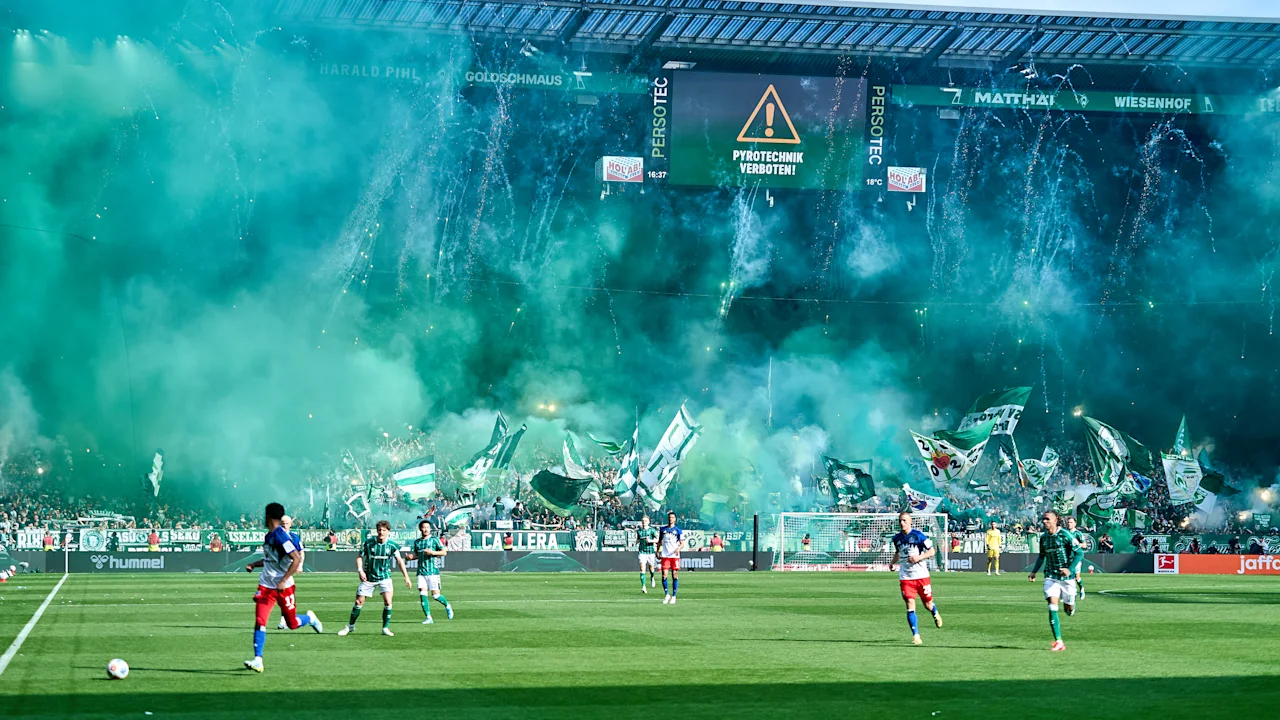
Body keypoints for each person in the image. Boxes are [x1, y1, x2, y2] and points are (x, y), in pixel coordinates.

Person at [243, 503, 320, 673]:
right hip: (266, 586)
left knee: (292, 623)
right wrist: (254, 564)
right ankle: (258, 659)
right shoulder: (268, 536)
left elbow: (296, 559)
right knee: (260, 621)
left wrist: (284, 580)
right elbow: (270, 560)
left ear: (269, 517)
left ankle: (310, 618)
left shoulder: (280, 536)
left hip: (283, 587)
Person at [338, 520, 411, 637]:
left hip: (385, 577)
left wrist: (406, 577)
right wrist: (360, 570)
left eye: (384, 530)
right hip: (369, 577)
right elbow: (359, 557)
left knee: (388, 601)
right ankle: (350, 626)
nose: (381, 532)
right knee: (358, 602)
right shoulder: (369, 543)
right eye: (379, 530)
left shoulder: (392, 545)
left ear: (388, 532)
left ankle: (385, 628)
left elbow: (399, 561)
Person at [1028, 510, 1082, 652]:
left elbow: (1079, 552)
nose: (1044, 521)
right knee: (1052, 605)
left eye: (1047, 519)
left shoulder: (1065, 535)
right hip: (1051, 576)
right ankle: (1059, 641)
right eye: (1043, 519)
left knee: (1069, 610)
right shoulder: (1044, 538)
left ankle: (1071, 605)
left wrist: (1069, 569)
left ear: (1056, 520)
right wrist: (1034, 572)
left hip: (1067, 579)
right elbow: (1041, 556)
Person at [890, 511, 942, 645]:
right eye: (900, 520)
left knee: (928, 604)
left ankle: (935, 612)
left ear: (910, 522)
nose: (902, 523)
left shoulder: (918, 535)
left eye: (904, 520)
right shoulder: (897, 538)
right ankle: (916, 635)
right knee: (910, 604)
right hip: (906, 577)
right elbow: (898, 553)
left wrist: (919, 557)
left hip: (921, 576)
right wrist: (892, 562)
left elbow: (932, 551)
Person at [403, 520, 453, 624]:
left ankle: (447, 605)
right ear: (420, 529)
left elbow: (444, 552)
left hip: (432, 572)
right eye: (423, 527)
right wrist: (410, 557)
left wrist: (432, 552)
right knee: (422, 593)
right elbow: (417, 555)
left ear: (430, 529)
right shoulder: (417, 542)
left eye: (427, 527)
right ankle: (429, 617)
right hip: (421, 572)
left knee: (435, 596)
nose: (425, 529)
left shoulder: (434, 540)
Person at [658, 511, 685, 605]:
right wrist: (657, 551)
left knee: (674, 574)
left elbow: (682, 544)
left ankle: (674, 596)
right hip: (665, 555)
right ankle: (666, 594)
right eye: (669, 517)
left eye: (672, 517)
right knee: (664, 575)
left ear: (675, 519)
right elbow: (659, 541)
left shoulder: (678, 530)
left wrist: (678, 548)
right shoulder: (662, 530)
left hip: (674, 556)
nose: (671, 519)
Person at [1064, 516, 1087, 600]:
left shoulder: (1078, 533)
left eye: (1071, 522)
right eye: (1068, 522)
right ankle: (1067, 593)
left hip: (1075, 558)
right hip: (1066, 558)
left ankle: (1081, 589)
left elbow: (1084, 545)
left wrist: (1076, 545)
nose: (1069, 524)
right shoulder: (1065, 532)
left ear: (1075, 524)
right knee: (1067, 576)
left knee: (1077, 578)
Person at [637, 515, 658, 594]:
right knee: (642, 569)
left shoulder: (652, 530)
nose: (644, 522)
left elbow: (657, 539)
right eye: (643, 521)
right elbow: (638, 539)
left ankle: (652, 577)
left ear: (648, 522)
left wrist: (650, 540)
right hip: (642, 551)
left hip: (650, 552)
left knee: (651, 568)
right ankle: (643, 586)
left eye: (645, 521)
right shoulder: (639, 530)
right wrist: (634, 543)